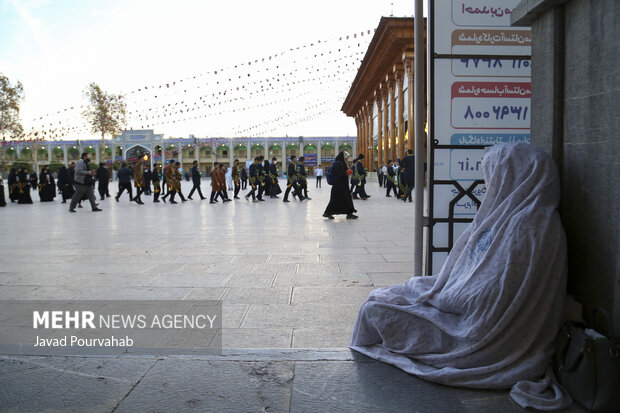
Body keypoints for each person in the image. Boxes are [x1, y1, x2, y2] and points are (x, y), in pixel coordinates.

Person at [350, 143, 569, 408]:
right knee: (390, 296)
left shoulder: (530, 227)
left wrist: (439, 297)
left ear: (514, 176)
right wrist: (435, 291)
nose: (487, 186)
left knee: (376, 310)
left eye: (492, 177)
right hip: (463, 308)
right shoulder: (514, 217)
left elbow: (487, 298)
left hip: (474, 333)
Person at [323, 151, 357, 219]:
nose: (347, 158)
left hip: (341, 185)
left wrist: (346, 172)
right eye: (346, 157)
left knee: (338, 200)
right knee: (341, 199)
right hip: (339, 185)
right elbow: (339, 174)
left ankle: (328, 213)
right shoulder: (338, 163)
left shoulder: (341, 163)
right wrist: (347, 172)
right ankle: (328, 213)